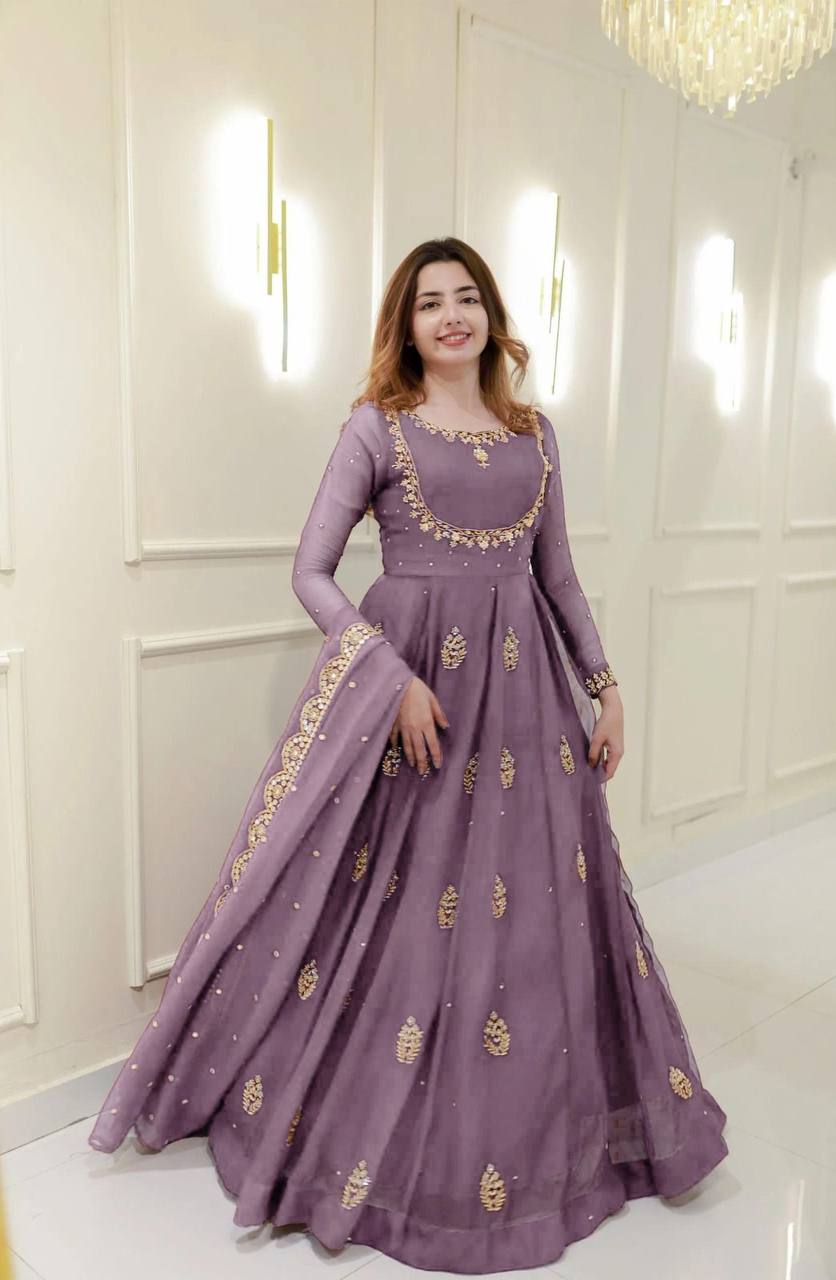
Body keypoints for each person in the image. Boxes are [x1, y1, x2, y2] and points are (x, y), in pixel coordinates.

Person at [89, 236, 728, 1274]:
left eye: (466, 297)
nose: (450, 316)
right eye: (429, 302)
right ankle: (368, 1132)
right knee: (402, 902)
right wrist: (387, 678)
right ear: (406, 323)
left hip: (523, 705)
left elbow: (558, 577)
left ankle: (538, 1134)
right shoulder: (375, 427)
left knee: (529, 916)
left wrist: (604, 687)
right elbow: (311, 571)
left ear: (492, 316)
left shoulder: (533, 435)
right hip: (415, 699)